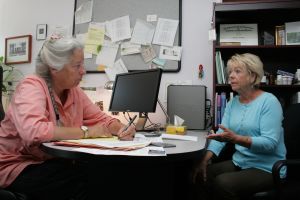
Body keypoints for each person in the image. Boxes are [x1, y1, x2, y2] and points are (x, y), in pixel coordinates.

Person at [0, 36, 136, 200]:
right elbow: (34, 132)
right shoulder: (32, 86)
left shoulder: (74, 91)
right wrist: (87, 132)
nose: (83, 71)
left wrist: (121, 128)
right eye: (77, 66)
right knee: (84, 181)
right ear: (54, 68)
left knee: (104, 171)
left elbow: (101, 119)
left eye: (82, 65)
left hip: (52, 161)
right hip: (18, 165)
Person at [192, 53, 286, 200]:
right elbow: (220, 137)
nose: (231, 76)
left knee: (223, 183)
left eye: (237, 71)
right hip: (240, 162)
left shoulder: (269, 102)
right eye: (230, 72)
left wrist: (236, 138)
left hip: (267, 168)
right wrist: (204, 160)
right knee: (200, 173)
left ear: (253, 76)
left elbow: (270, 143)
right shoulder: (232, 104)